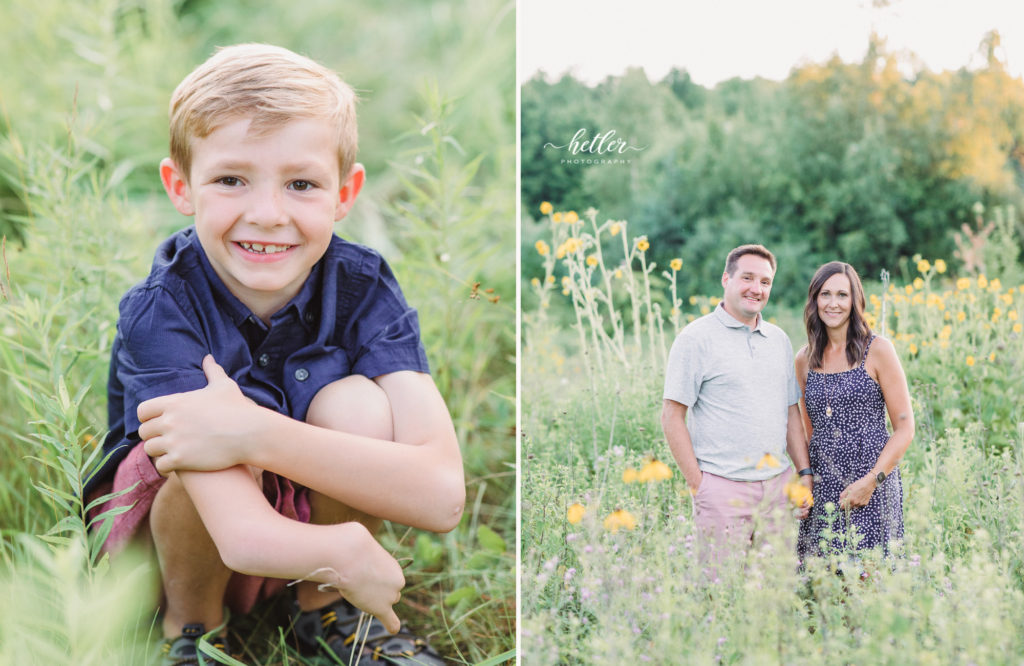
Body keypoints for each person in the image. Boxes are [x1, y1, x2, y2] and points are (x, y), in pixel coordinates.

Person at [84, 43, 464, 666]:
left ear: (345, 194)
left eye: (302, 184)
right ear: (181, 186)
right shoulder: (162, 308)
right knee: (191, 444)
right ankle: (193, 635)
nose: (267, 214)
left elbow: (443, 495)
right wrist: (343, 550)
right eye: (232, 179)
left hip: (291, 526)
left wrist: (253, 432)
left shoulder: (363, 284)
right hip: (176, 547)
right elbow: (237, 533)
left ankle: (325, 610)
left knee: (360, 407)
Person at [661, 244, 812, 567]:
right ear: (726, 278)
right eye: (747, 278)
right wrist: (699, 485)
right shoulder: (695, 339)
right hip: (721, 489)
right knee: (721, 598)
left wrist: (803, 473)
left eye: (765, 282)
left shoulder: (779, 340)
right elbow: (672, 415)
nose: (756, 289)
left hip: (777, 487)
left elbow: (790, 413)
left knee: (775, 596)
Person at [795, 261, 913, 560]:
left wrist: (873, 481)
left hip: (871, 480)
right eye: (825, 294)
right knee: (824, 581)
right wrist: (805, 480)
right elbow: (811, 433)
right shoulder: (805, 359)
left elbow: (905, 428)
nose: (833, 303)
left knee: (872, 576)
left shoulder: (878, 350)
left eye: (842, 295)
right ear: (814, 300)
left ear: (855, 301)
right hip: (824, 484)